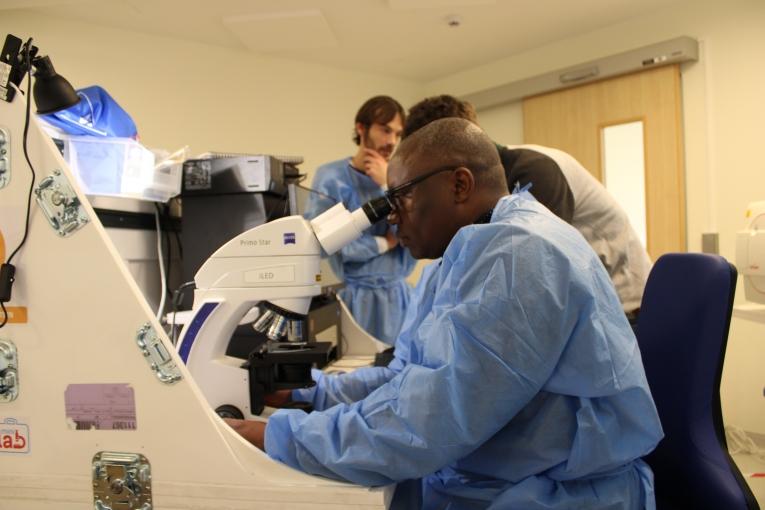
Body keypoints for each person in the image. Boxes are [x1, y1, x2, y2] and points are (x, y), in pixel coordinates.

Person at [225, 118, 664, 510]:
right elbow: (410, 379)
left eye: (400, 198)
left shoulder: (519, 254)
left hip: (552, 493)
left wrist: (277, 436)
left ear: (459, 185)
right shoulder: (463, 255)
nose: (391, 218)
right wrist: (309, 394)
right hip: (503, 475)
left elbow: (426, 422)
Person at [404, 95, 651, 321]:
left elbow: (538, 270)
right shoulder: (482, 187)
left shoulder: (536, 170)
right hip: (579, 308)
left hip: (623, 308)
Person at [304, 95, 416, 344]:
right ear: (361, 128)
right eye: (385, 130)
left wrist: (388, 184)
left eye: (397, 134)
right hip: (354, 300)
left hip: (400, 300)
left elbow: (415, 236)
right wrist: (383, 244)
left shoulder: (402, 177)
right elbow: (326, 244)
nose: (392, 141)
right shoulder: (332, 178)